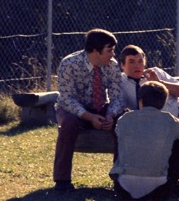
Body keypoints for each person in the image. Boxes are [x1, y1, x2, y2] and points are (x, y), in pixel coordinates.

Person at [52, 28, 125, 192]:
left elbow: (117, 97)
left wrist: (111, 115)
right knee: (68, 123)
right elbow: (66, 98)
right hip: (73, 109)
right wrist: (89, 117)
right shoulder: (69, 64)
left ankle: (121, 177)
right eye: (109, 50)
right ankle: (62, 180)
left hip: (101, 107)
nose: (113, 55)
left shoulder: (112, 66)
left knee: (124, 120)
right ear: (95, 51)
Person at [110, 81, 179, 200]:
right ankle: (173, 180)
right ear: (164, 102)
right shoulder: (169, 120)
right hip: (159, 189)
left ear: (140, 101)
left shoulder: (125, 118)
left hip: (124, 188)